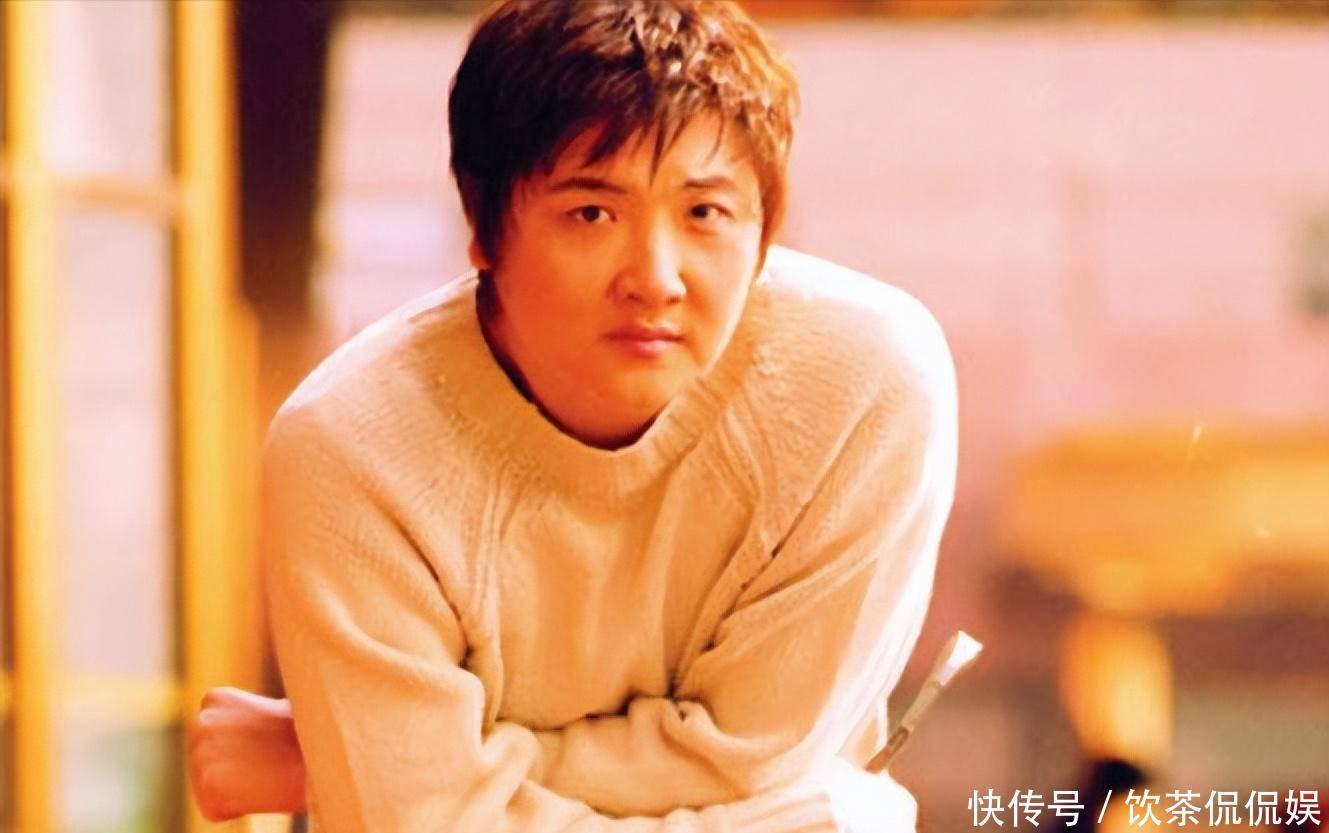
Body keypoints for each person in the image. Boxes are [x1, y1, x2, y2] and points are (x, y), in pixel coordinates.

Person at [186, 0, 958, 830]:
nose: (655, 278)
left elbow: (750, 756)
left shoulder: (862, 383)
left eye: (704, 213)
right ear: (483, 228)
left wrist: (347, 762)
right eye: (592, 213)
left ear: (764, 231)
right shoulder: (354, 448)